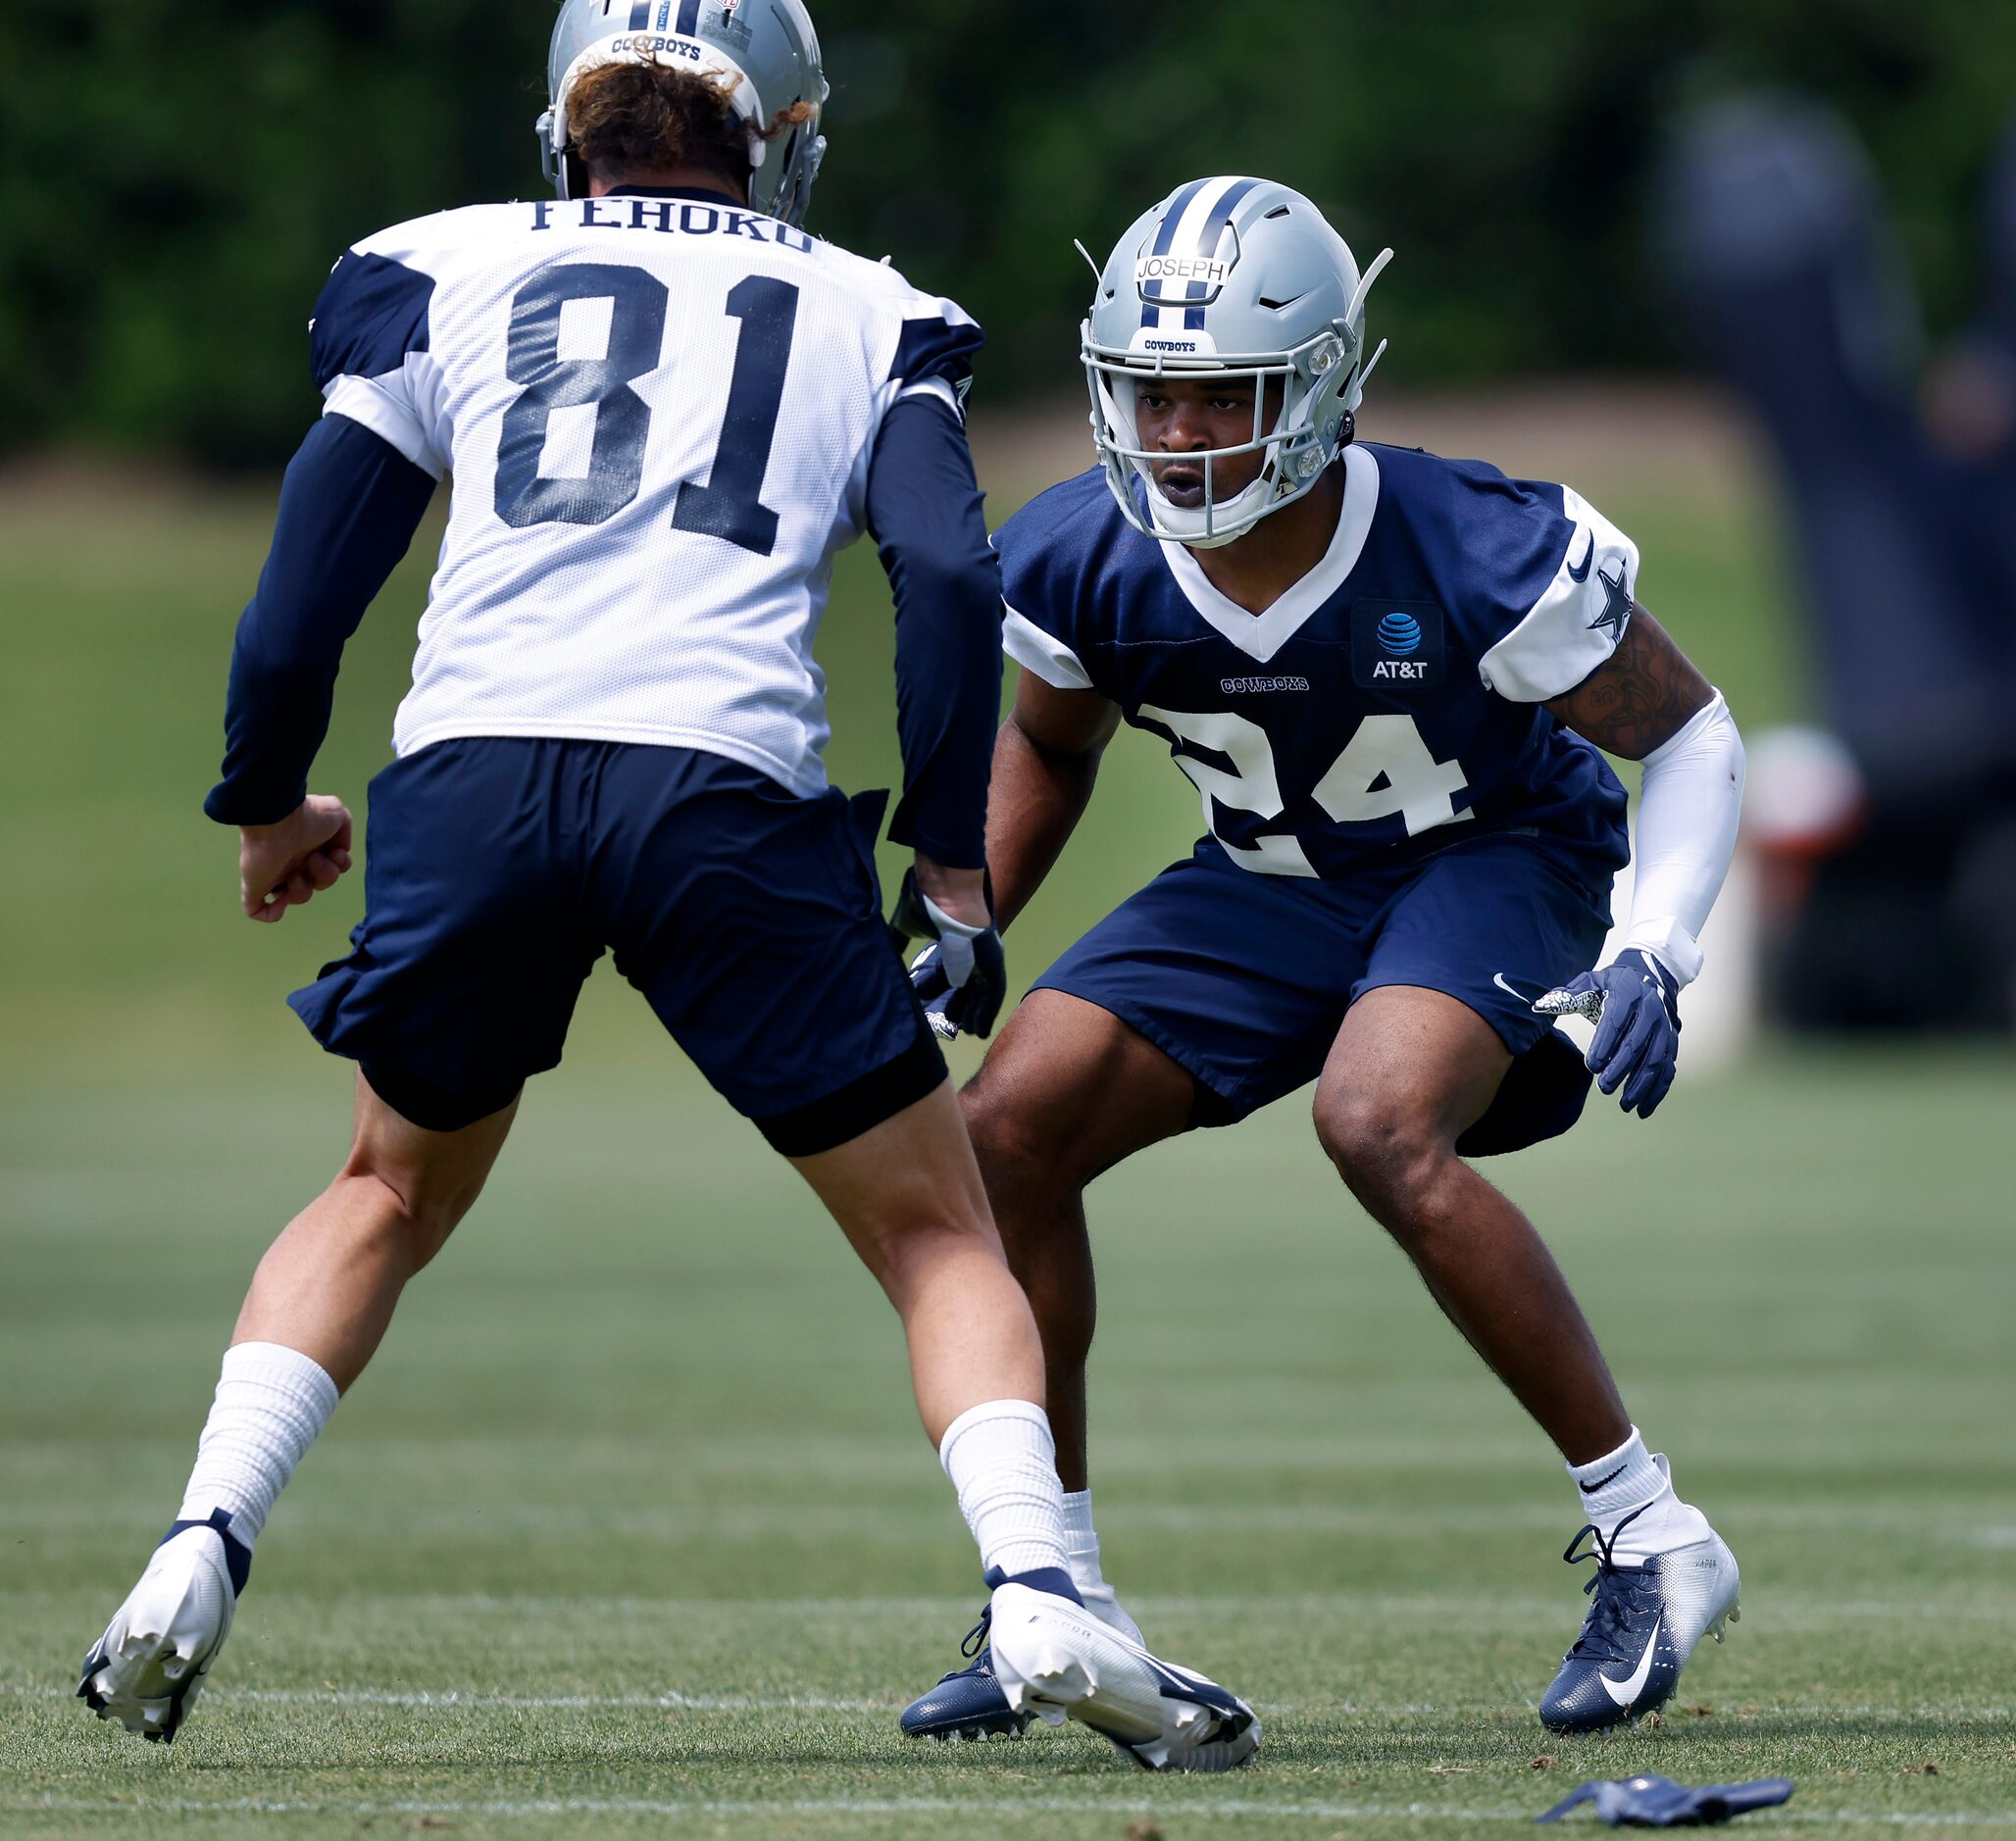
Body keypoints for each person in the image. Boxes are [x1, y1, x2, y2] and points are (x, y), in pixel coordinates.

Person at [76, 8, 1255, 1771]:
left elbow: (298, 593)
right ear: (773, 133)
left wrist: (265, 801)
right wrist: (948, 851)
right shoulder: (872, 303)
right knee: (938, 1232)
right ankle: (1034, 1587)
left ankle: (200, 1539)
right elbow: (944, 570)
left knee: (384, 1192)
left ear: (571, 121)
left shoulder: (436, 268)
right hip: (720, 788)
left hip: (475, 777)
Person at [898, 176, 1746, 1742]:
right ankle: (1057, 1593)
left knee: (1374, 1116)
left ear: (1322, 386)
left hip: (1495, 850)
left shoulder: (1474, 543)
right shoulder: (1087, 553)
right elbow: (1048, 743)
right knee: (1001, 1130)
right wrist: (970, 911)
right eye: (1152, 394)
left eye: (1221, 395)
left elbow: (1691, 729)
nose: (1179, 433)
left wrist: (1658, 944)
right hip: (1269, 877)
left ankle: (1655, 1536)